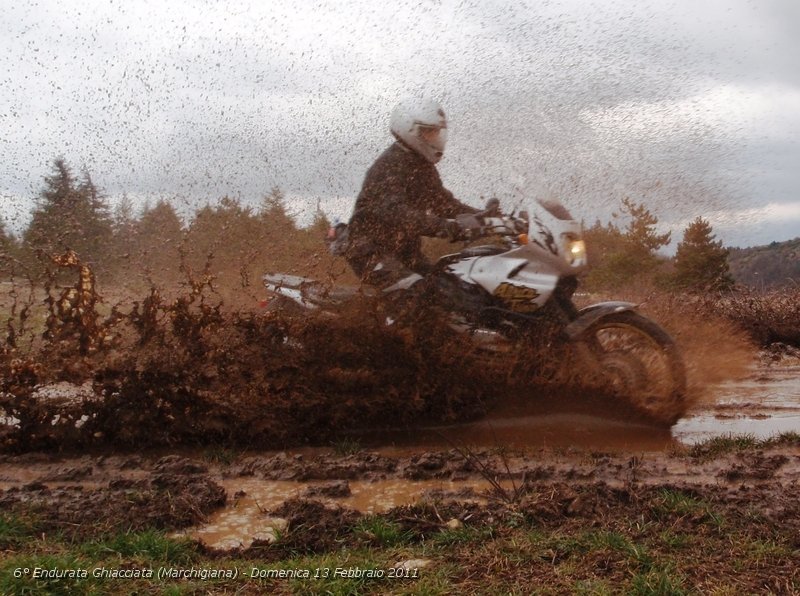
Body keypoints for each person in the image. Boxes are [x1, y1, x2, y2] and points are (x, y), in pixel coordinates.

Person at [344, 98, 479, 287]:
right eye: (429, 132)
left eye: (437, 132)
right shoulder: (390, 165)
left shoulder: (422, 166)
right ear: (409, 130)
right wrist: (447, 227)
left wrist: (487, 217)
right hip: (370, 251)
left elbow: (444, 204)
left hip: (406, 252)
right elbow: (397, 214)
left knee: (452, 290)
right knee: (417, 292)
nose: (435, 138)